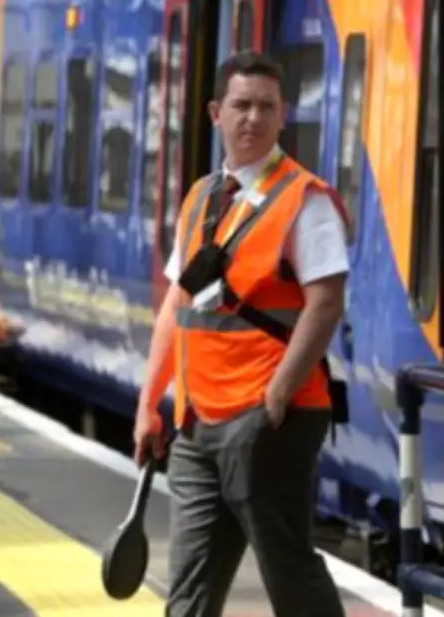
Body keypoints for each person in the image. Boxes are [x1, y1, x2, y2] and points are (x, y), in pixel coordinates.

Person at [134, 50, 349, 616]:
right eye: (241, 105)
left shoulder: (306, 200)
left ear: (282, 117)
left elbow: (325, 304)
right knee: (189, 587)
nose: (252, 117)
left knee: (289, 574)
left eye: (266, 107)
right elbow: (177, 308)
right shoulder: (202, 197)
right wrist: (150, 402)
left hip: (266, 421)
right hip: (198, 419)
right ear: (215, 113)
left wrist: (275, 398)